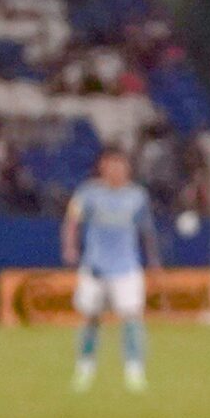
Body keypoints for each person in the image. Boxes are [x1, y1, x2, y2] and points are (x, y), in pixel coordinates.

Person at [62, 145, 161, 392]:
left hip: (127, 267)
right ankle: (85, 368)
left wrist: (153, 261)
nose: (116, 169)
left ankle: (134, 371)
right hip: (95, 267)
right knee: (91, 318)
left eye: (121, 164)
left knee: (131, 317)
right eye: (111, 164)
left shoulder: (137, 196)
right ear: (103, 166)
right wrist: (70, 247)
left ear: (127, 167)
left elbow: (147, 231)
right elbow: (72, 220)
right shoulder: (88, 193)